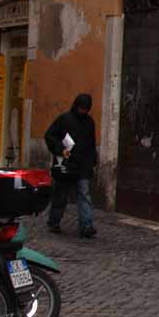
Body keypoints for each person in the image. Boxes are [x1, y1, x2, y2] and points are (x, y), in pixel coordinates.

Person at [44, 93, 99, 238]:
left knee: (84, 194)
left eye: (86, 109)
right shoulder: (64, 119)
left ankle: (86, 225)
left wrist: (93, 161)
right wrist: (60, 150)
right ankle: (54, 221)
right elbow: (50, 135)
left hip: (83, 165)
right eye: (81, 108)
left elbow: (91, 144)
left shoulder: (89, 122)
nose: (83, 111)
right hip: (67, 164)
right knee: (61, 194)